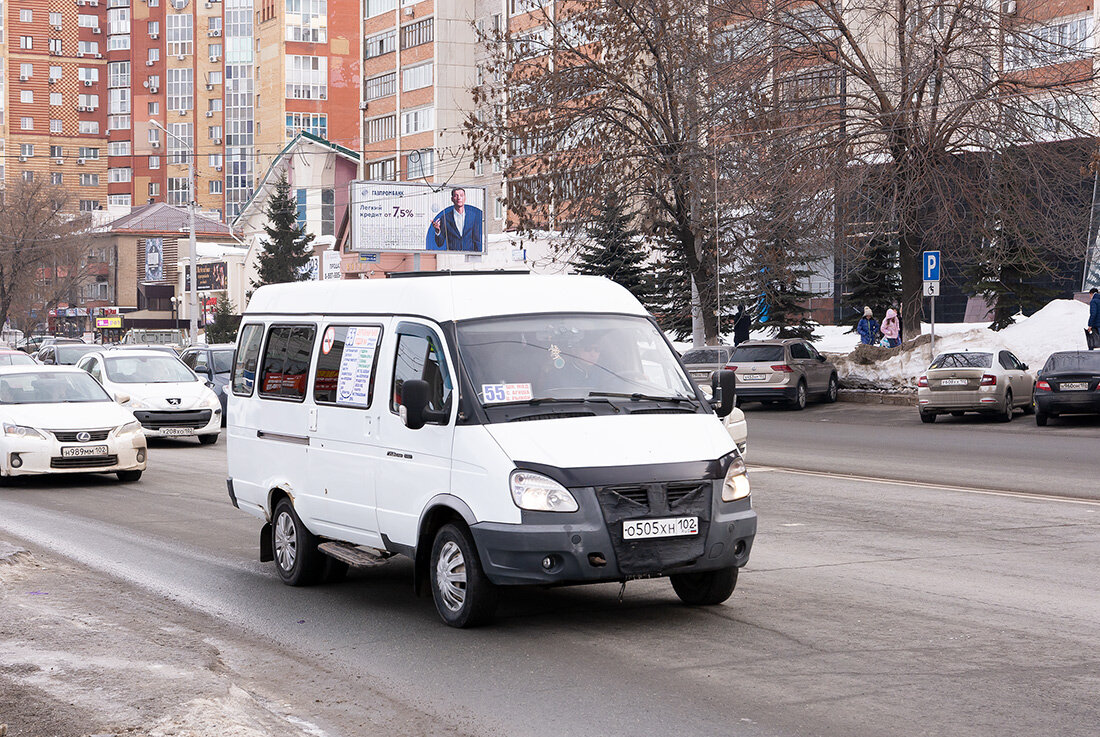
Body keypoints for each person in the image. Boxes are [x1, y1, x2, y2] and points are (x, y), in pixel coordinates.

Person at [428, 187, 483, 252]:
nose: (459, 198)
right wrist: (437, 231)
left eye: (461, 195)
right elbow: (440, 243)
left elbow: (477, 240)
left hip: (469, 257)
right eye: (456, 196)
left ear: (465, 198)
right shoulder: (445, 218)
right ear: (452, 199)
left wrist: (478, 256)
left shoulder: (472, 216)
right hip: (453, 257)